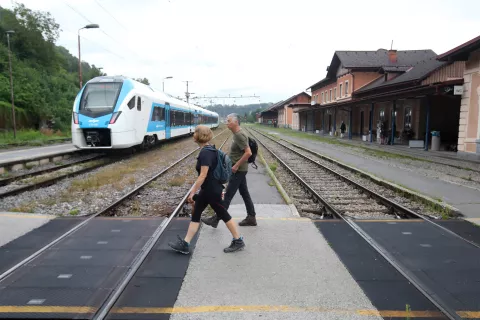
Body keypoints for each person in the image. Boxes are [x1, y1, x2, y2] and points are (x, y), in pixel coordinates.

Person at [168, 125, 245, 254]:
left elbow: (203, 175)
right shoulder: (209, 149)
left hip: (212, 190)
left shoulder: (205, 153)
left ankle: (238, 240)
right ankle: (186, 244)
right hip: (208, 189)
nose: (193, 134)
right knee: (197, 213)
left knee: (223, 214)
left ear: (199, 136)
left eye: (195, 133)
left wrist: (192, 192)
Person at [202, 113, 257, 228]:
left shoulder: (239, 135)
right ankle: (251, 217)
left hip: (238, 170)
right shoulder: (236, 134)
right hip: (240, 170)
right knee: (244, 193)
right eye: (226, 120)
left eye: (229, 121)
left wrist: (236, 165)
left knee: (227, 196)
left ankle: (216, 219)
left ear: (236, 122)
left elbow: (248, 153)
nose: (227, 123)